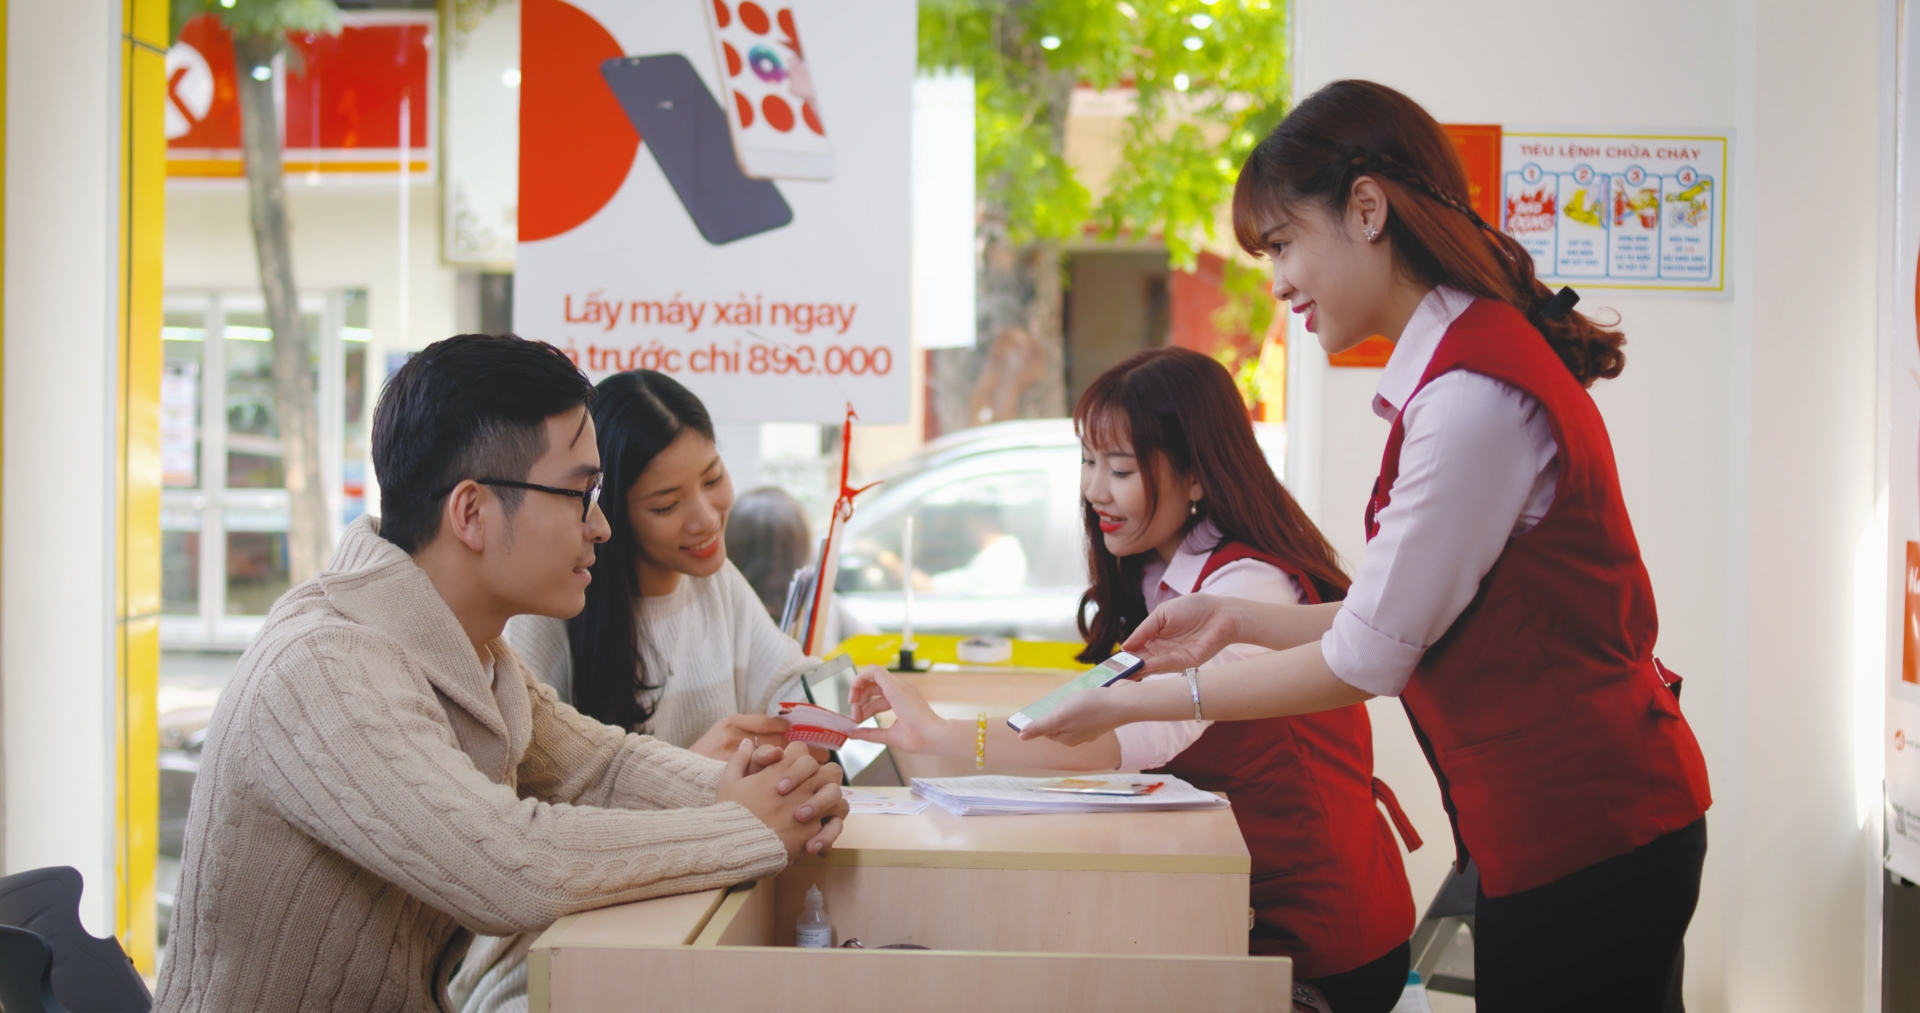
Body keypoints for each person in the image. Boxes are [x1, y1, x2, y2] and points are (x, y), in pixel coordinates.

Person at [1019, 80, 1712, 1013]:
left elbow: (1366, 657)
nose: (1276, 281)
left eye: (1282, 244)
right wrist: (1239, 621)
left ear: (1367, 209)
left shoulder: (1471, 399)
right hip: (1565, 827)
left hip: (1592, 825)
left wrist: (1139, 697)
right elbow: (1402, 617)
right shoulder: (1461, 373)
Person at [154, 335, 847, 1013]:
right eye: (578, 494)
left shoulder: (475, 652)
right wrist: (745, 826)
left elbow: (599, 768)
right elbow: (514, 862)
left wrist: (765, 792)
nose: (601, 526)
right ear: (472, 512)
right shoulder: (326, 668)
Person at [848, 347, 1420, 1013]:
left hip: (1323, 947)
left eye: (1119, 469)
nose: (1095, 489)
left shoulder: (1248, 585)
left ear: (1196, 475)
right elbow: (1103, 705)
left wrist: (943, 735)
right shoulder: (1156, 572)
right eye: (1088, 461)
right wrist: (947, 731)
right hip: (1235, 910)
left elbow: (1127, 733)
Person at [456, 372, 876, 1013]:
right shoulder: (549, 613)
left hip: (697, 906)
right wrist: (691, 777)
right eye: (665, 504)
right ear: (607, 512)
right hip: (562, 942)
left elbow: (793, 687)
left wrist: (809, 747)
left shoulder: (716, 582)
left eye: (713, 478)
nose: (704, 517)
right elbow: (520, 823)